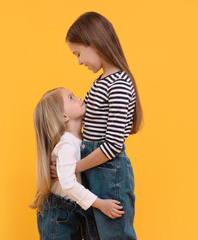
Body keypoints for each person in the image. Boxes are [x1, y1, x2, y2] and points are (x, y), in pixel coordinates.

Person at [50, 12, 143, 239]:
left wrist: (74, 167)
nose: (79, 61)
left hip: (110, 174)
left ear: (94, 43)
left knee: (115, 235)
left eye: (79, 53)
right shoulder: (102, 81)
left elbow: (112, 145)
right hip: (97, 170)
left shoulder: (119, 83)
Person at [30, 88, 125, 240]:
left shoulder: (83, 139)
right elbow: (68, 184)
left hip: (76, 211)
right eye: (71, 98)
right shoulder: (66, 144)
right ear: (64, 116)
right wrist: (100, 203)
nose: (79, 98)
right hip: (60, 213)